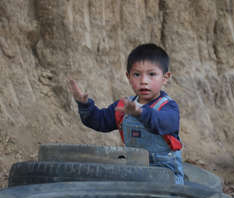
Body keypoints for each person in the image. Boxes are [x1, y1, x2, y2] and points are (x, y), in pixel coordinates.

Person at [69, 43, 184, 184]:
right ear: (128, 77)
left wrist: (141, 113)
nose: (143, 81)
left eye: (152, 74)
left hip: (165, 175)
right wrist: (85, 106)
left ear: (165, 78)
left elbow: (161, 122)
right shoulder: (124, 107)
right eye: (137, 75)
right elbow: (99, 121)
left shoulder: (168, 107)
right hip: (134, 172)